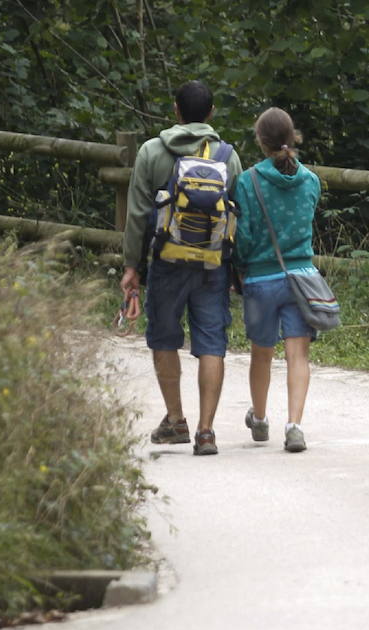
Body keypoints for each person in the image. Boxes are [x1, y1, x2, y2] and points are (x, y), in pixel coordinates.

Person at [120, 81, 242, 456]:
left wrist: (132, 267)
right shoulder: (228, 156)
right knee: (211, 343)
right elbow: (238, 216)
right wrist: (237, 270)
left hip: (166, 261)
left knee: (164, 336)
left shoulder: (152, 152)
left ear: (175, 110)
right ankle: (206, 431)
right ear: (211, 114)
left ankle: (175, 420)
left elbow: (138, 215)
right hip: (211, 264)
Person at [233, 107, 321, 453]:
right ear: (293, 136)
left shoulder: (248, 181)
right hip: (301, 277)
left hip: (260, 278)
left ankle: (260, 419)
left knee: (261, 353)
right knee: (298, 354)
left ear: (260, 140)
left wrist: (238, 269)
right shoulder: (311, 181)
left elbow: (243, 236)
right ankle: (295, 426)